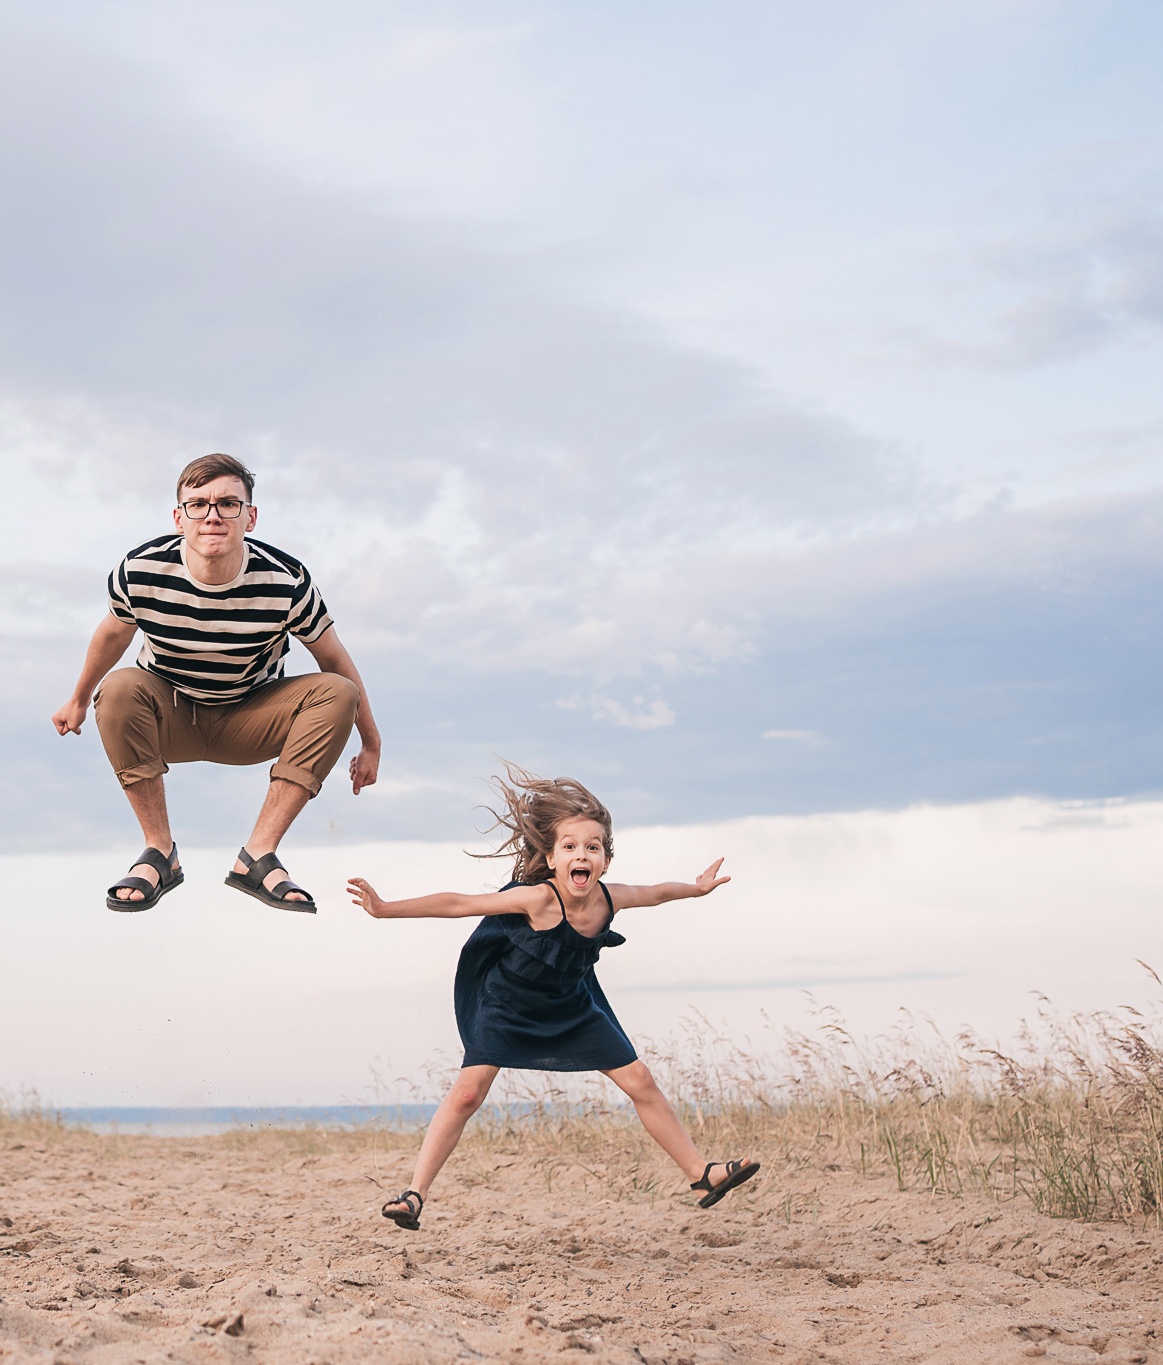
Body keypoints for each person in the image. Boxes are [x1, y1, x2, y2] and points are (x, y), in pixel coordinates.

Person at [346, 770, 756, 1230]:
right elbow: (459, 903)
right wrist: (386, 909)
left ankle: (701, 1174)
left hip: (571, 1007)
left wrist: (695, 889)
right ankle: (414, 1194)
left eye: (593, 848)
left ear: (605, 861)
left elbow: (658, 893)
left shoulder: (609, 900)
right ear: (551, 858)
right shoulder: (538, 899)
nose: (582, 854)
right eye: (570, 846)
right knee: (467, 1094)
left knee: (640, 1079)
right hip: (506, 1007)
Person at [52, 453, 384, 914]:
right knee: (120, 686)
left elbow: (333, 658)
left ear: (250, 517)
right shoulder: (141, 570)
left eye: (228, 503)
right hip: (170, 716)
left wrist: (371, 742)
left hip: (252, 717)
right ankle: (158, 854)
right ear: (178, 518)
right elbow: (112, 634)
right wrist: (78, 699)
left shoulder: (286, 580)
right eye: (198, 505)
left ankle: (258, 857)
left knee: (337, 692)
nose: (212, 515)